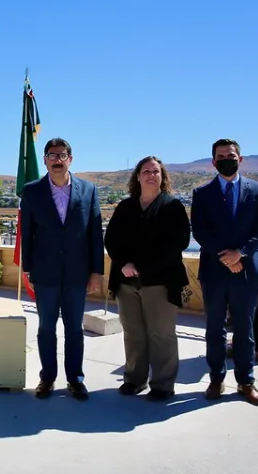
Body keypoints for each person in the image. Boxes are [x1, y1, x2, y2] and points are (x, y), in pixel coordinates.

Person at [20, 138, 104, 400]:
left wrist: (96, 272)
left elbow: (94, 234)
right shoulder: (32, 191)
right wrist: (28, 270)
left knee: (74, 329)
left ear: (71, 158)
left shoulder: (88, 190)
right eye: (52, 155)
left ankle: (75, 379)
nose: (57, 160)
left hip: (78, 274)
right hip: (45, 273)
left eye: (62, 155)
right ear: (45, 160)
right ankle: (47, 378)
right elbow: (28, 235)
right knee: (46, 328)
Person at [191, 138, 258, 406]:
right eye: (221, 156)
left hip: (247, 271)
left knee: (244, 328)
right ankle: (216, 379)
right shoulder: (202, 194)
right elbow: (200, 230)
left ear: (241, 159)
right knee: (214, 328)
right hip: (214, 271)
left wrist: (241, 253)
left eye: (231, 154)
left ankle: (246, 382)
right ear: (214, 162)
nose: (227, 158)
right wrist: (225, 256)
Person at [104, 156, 190, 401]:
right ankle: (134, 379)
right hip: (125, 281)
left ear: (162, 177)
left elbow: (178, 244)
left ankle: (163, 385)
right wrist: (125, 264)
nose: (151, 175)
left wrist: (141, 267)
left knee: (161, 333)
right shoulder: (125, 207)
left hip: (160, 282)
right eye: (146, 171)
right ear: (138, 176)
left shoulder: (172, 206)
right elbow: (111, 240)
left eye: (156, 171)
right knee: (133, 332)